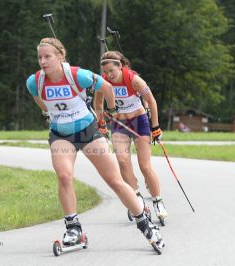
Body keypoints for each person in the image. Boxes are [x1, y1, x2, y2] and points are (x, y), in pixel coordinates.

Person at [26, 38, 163, 249]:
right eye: (40, 57)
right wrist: (50, 113)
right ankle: (74, 229)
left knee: (114, 180)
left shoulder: (76, 75)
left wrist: (110, 107)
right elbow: (39, 100)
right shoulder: (34, 81)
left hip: (88, 132)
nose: (42, 61)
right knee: (64, 176)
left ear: (60, 56)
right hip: (61, 134)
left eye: (47, 56)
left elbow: (107, 86)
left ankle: (145, 223)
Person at [94, 51, 168, 224]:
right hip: (119, 125)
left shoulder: (133, 80)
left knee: (145, 166)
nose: (110, 75)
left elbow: (151, 100)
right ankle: (137, 197)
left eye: (112, 70)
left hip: (139, 122)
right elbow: (98, 104)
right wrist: (101, 122)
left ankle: (157, 200)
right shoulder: (103, 81)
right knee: (122, 161)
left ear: (120, 66)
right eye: (106, 72)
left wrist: (155, 127)